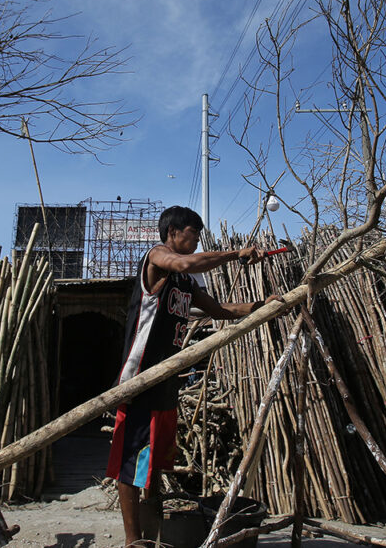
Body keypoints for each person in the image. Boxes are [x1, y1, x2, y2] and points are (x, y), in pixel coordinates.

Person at [106, 205, 278, 546]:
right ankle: (131, 540)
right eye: (192, 233)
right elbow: (184, 262)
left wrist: (263, 306)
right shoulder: (157, 257)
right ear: (172, 232)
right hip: (140, 379)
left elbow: (219, 310)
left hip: (167, 381)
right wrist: (235, 253)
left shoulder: (185, 282)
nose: (197, 239)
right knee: (131, 462)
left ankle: (152, 538)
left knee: (153, 465)